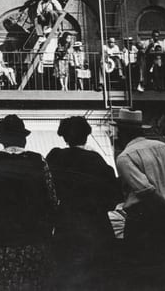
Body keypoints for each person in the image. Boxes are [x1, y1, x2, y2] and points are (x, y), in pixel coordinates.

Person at [0, 115, 58, 291]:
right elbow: (51, 198)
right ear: (23, 138)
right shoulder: (38, 161)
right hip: (34, 237)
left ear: (2, 140)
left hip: (3, 238)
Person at [113, 108, 165, 278]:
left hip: (144, 220)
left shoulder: (124, 157)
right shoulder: (164, 147)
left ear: (123, 132)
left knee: (142, 274)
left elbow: (147, 193)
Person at [46, 116, 119, 290]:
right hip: (96, 223)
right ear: (86, 135)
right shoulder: (96, 159)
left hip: (67, 221)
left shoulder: (55, 157)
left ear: (64, 136)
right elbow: (113, 193)